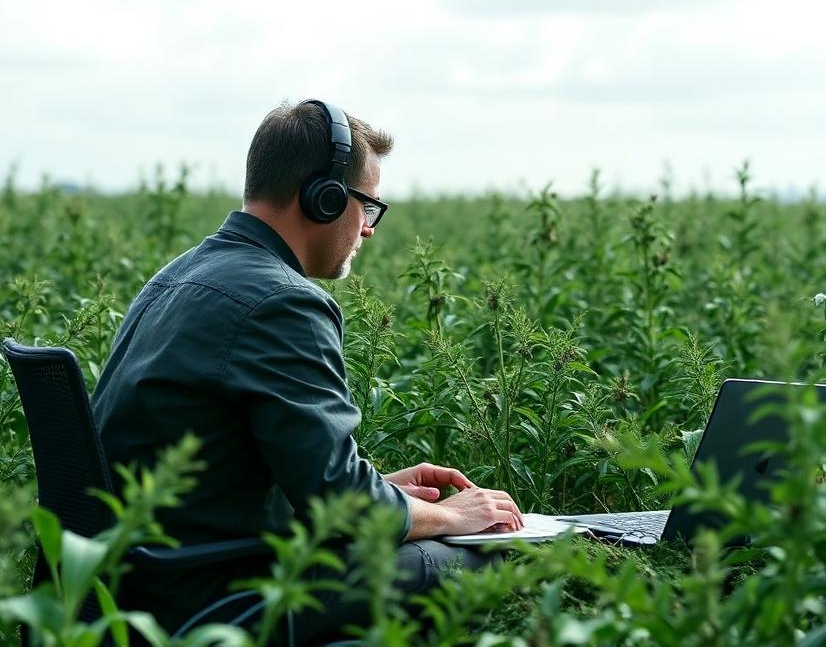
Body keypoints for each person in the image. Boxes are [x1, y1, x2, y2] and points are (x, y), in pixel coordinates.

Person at [91, 99, 524, 641]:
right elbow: (342, 505)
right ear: (324, 199)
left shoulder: (178, 275)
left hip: (135, 583)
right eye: (368, 207)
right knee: (478, 564)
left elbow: (244, 474)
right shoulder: (283, 301)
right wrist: (453, 518)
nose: (368, 229)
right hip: (211, 598)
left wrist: (388, 492)